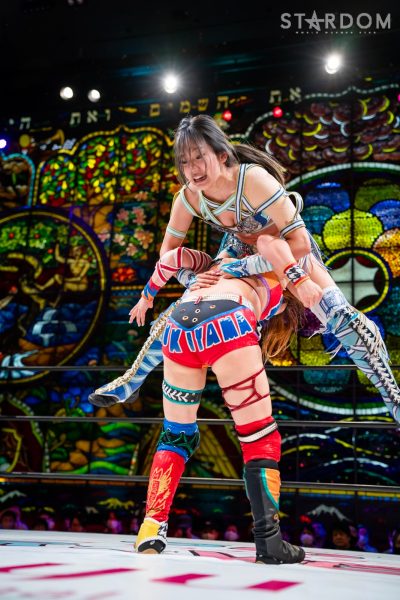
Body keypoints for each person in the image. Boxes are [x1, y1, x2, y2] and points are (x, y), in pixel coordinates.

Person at [91, 114, 399, 423]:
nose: (193, 169)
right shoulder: (187, 198)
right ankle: (131, 379)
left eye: (199, 157)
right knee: (190, 304)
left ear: (222, 155)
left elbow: (301, 244)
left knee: (342, 317)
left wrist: (244, 267)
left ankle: (393, 396)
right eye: (184, 162)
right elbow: (167, 253)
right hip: (237, 248)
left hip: (284, 252)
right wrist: (192, 279)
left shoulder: (253, 180)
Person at [132, 245, 306, 564]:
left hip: (179, 326)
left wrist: (148, 296)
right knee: (260, 437)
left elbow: (171, 258)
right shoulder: (279, 262)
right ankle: (269, 543)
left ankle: (151, 527)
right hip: (228, 321)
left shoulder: (211, 262)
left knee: (176, 434)